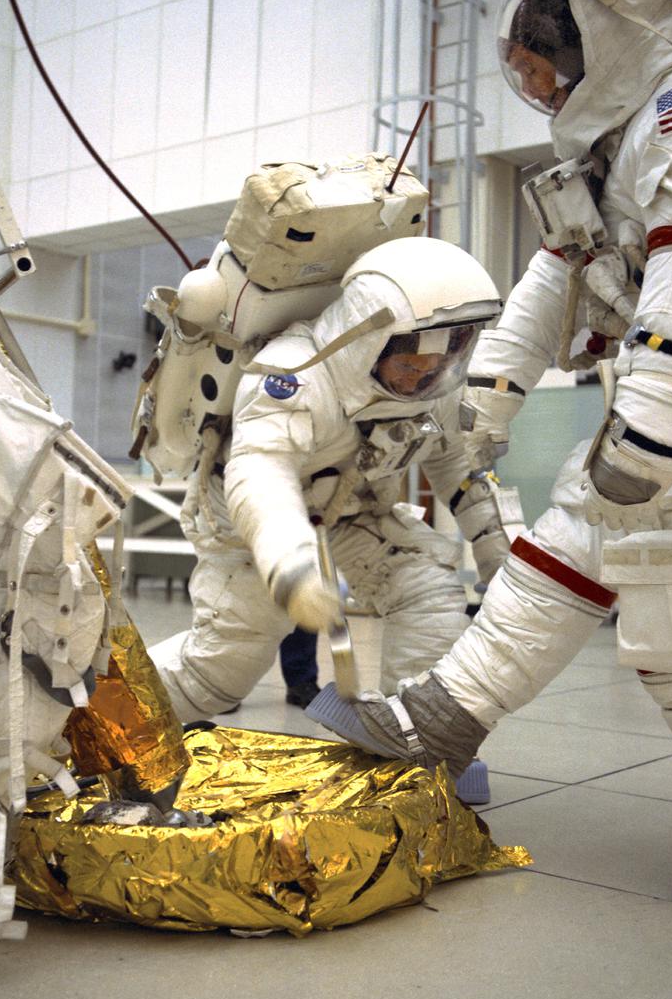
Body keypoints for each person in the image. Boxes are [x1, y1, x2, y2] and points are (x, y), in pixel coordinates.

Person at [310, 0, 672, 915]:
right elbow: (555, 279)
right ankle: (443, 716)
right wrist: (484, 405)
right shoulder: (617, 135)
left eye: (541, 42)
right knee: (560, 550)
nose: (529, 66)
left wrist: (646, 433)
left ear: (604, 21)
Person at [149, 236, 505, 734]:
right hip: (255, 528)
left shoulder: (435, 386)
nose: (420, 378)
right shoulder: (295, 373)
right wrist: (291, 565)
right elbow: (261, 472)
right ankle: (96, 724)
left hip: (353, 512)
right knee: (222, 670)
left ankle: (415, 743)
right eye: (407, 364)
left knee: (430, 596)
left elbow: (452, 461)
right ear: (365, 341)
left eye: (437, 366)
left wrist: (500, 559)